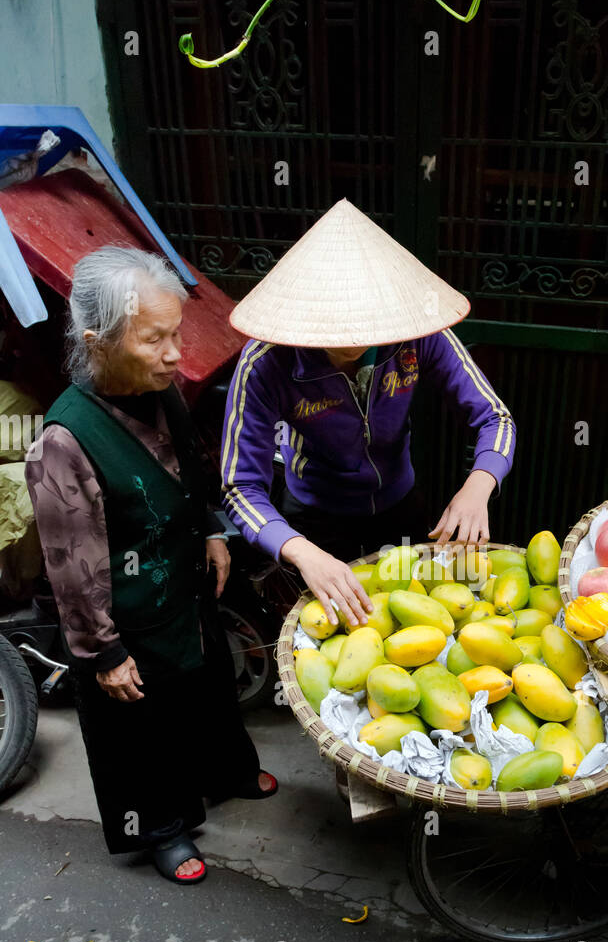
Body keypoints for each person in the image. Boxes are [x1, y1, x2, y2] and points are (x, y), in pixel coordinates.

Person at [25, 246, 276, 885]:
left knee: (206, 689)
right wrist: (102, 652)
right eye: (155, 339)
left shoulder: (158, 390)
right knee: (139, 726)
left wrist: (215, 531)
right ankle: (159, 829)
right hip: (124, 617)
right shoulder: (64, 442)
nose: (175, 353)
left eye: (177, 335)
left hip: (184, 588)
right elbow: (70, 565)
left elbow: (193, 472)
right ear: (98, 342)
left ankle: (226, 774)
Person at [220, 198, 516, 627]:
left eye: (366, 321)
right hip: (314, 520)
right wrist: (301, 551)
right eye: (337, 323)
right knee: (334, 637)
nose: (354, 338)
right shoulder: (266, 363)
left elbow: (495, 417)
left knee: (413, 626)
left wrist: (480, 483)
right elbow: (240, 487)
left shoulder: (419, 334)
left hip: (400, 505)